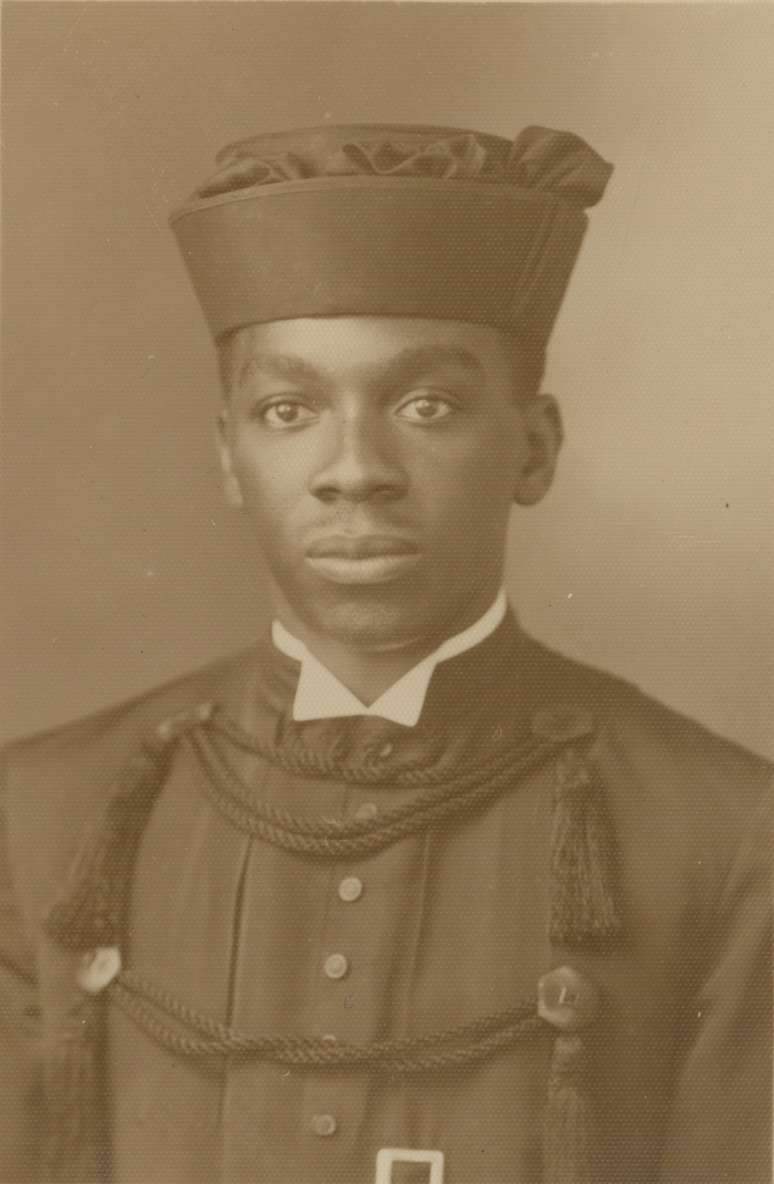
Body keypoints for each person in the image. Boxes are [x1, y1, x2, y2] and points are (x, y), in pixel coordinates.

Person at [0, 123, 770, 1184]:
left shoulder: (724, 831)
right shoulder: (40, 814)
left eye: (427, 404)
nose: (354, 468)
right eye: (289, 408)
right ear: (231, 454)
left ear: (534, 447)